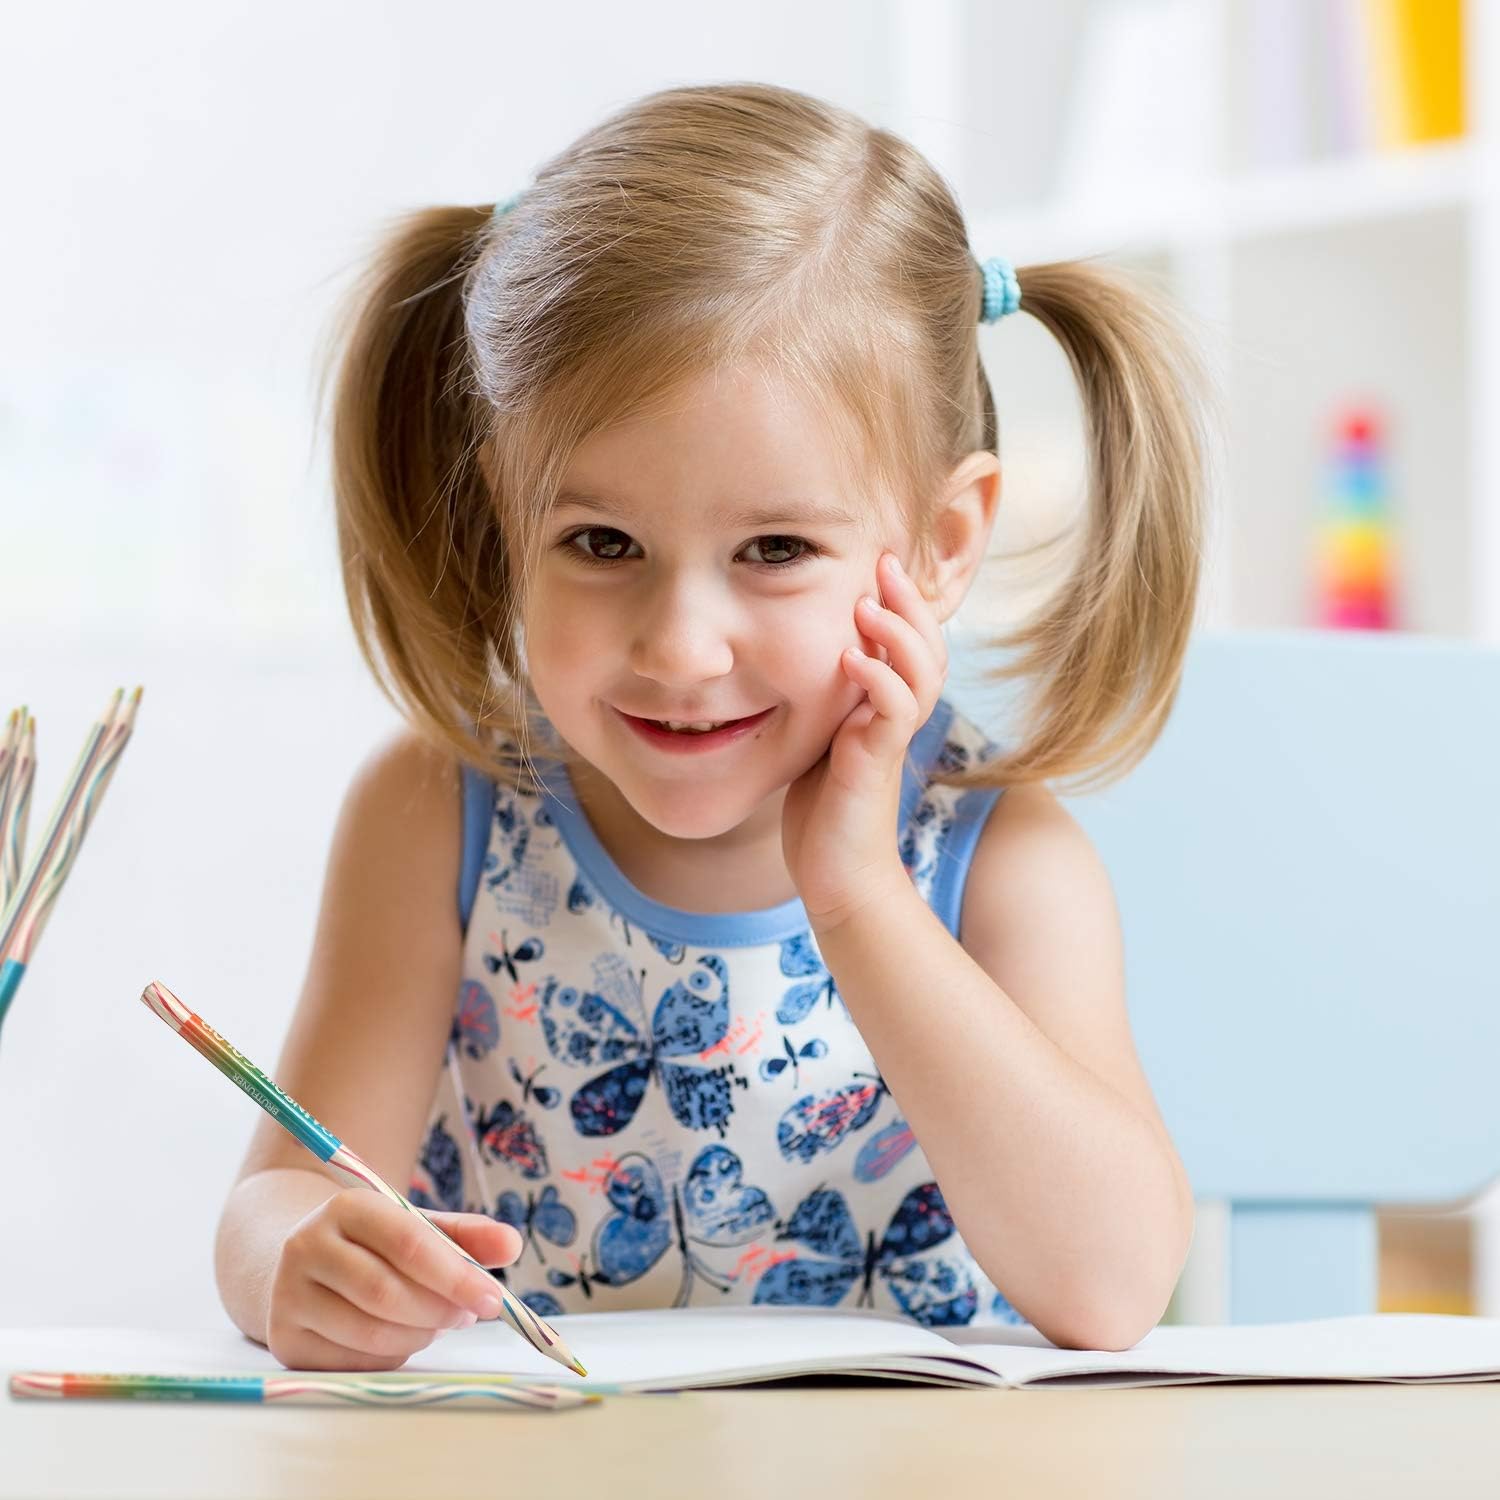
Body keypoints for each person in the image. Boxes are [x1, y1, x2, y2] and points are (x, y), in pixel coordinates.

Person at [216, 81, 1210, 1373]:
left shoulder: (1001, 856)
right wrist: (303, 1257)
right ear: (502, 518)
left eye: (776, 548)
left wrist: (856, 893)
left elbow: (1113, 1285)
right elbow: (270, 1201)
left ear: (943, 541)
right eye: (602, 542)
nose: (682, 646)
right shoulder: (442, 813)